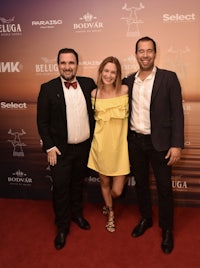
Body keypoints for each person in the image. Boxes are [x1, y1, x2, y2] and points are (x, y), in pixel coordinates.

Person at [123, 36, 184, 253]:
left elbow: (177, 113)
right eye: (141, 51)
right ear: (136, 54)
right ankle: (146, 218)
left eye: (149, 51)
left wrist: (177, 144)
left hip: (161, 144)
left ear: (155, 53)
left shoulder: (169, 78)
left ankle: (167, 230)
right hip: (135, 142)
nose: (145, 55)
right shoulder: (128, 81)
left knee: (165, 188)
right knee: (140, 184)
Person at [37, 48, 96, 250]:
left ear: (77, 65)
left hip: (83, 148)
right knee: (61, 188)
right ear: (58, 65)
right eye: (63, 63)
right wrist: (49, 146)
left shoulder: (88, 85)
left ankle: (77, 215)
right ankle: (62, 226)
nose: (67, 67)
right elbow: (42, 122)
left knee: (78, 184)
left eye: (71, 63)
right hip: (60, 151)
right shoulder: (47, 88)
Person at [88, 56, 130, 233]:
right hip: (101, 147)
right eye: (106, 71)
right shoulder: (94, 94)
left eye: (113, 72)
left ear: (118, 74)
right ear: (101, 72)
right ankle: (110, 212)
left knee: (117, 191)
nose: (109, 75)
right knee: (104, 183)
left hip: (120, 149)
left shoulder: (125, 90)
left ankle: (109, 202)